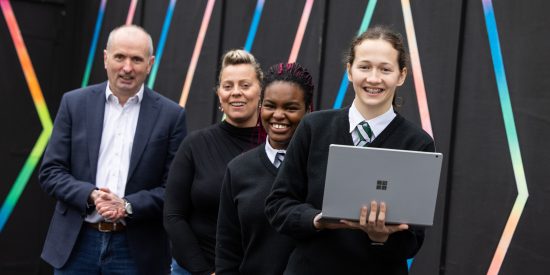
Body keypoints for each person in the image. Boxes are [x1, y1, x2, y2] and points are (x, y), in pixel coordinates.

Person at [265, 25, 434, 274]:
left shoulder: (418, 143)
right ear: (350, 71)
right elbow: (278, 204)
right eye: (364, 67)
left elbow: (413, 240)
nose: (374, 78)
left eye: (385, 69)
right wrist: (316, 220)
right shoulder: (314, 127)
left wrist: (381, 237)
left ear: (401, 75)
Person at [38, 25, 187, 275]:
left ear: (150, 64)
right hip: (76, 245)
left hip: (137, 250)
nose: (127, 68)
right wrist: (91, 195)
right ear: (106, 58)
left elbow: (174, 188)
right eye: (120, 57)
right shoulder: (74, 103)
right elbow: (51, 171)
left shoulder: (172, 116)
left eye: (136, 59)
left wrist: (127, 205)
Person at [164, 49, 263, 275]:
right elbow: (173, 216)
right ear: (219, 94)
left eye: (245, 85)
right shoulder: (195, 145)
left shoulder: (275, 147)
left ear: (261, 91)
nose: (236, 92)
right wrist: (204, 271)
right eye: (228, 86)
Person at [216, 63, 314, 275]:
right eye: (270, 106)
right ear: (260, 107)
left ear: (308, 110)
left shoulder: (320, 168)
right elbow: (228, 254)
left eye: (290, 108)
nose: (278, 115)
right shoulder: (238, 169)